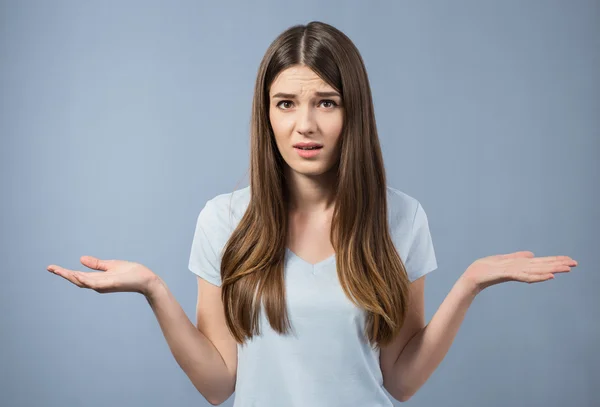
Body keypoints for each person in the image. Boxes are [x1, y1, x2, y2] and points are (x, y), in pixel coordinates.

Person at [47, 21, 578, 407]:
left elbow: (398, 381)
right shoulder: (223, 220)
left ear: (353, 111)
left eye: (326, 102)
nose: (305, 124)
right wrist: (154, 290)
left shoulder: (402, 218)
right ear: (267, 114)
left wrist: (468, 285)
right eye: (286, 104)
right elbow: (218, 385)